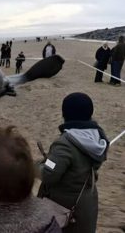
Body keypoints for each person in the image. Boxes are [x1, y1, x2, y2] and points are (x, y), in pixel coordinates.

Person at [38, 92, 109, 233]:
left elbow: (49, 174)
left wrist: (38, 165)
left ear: (65, 114)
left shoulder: (65, 144)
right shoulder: (96, 138)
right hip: (87, 205)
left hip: (65, 211)